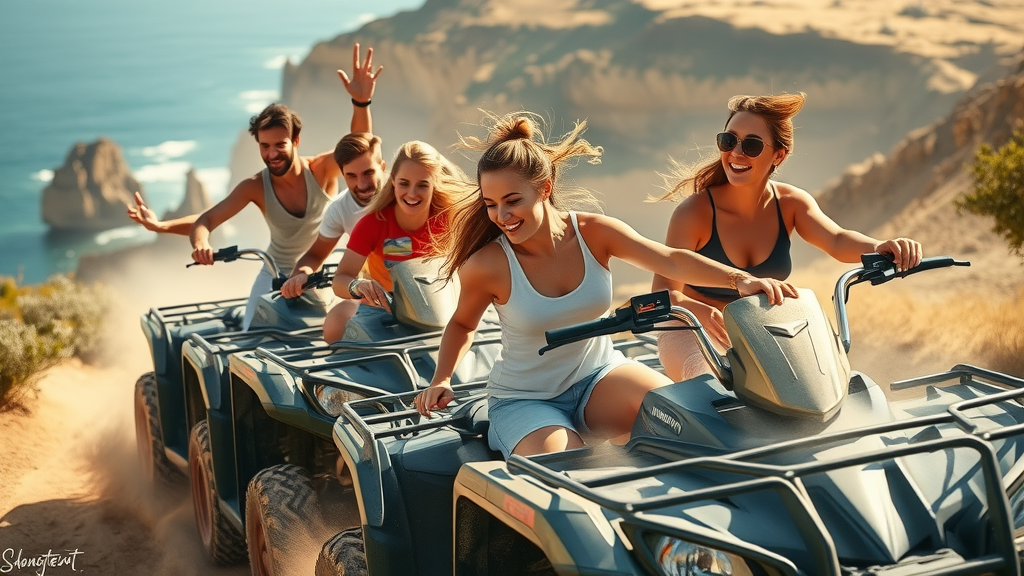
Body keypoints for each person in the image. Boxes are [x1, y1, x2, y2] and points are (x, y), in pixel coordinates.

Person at [413, 112, 797, 459]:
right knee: (571, 466)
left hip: (599, 376)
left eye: (512, 201)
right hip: (525, 400)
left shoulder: (594, 233)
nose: (501, 215)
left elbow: (669, 259)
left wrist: (740, 279)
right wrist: (441, 378)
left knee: (689, 420)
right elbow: (462, 323)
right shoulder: (488, 265)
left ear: (544, 188)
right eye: (491, 204)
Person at [652, 92, 923, 382]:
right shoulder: (694, 213)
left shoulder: (791, 203)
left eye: (752, 145)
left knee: (821, 382)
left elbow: (836, 240)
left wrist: (880, 247)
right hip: (691, 329)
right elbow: (662, 295)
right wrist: (699, 311)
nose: (736, 153)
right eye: (729, 141)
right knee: (713, 386)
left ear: (778, 155)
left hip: (760, 329)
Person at [127, 43, 383, 330]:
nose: (272, 153)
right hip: (275, 273)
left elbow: (359, 148)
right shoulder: (254, 186)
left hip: (320, 274)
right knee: (251, 334)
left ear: (296, 141)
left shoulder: (320, 170)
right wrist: (191, 240)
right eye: (264, 146)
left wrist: (361, 103)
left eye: (279, 144)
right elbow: (207, 220)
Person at [325, 140, 473, 343]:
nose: (412, 194)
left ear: (435, 184)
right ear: (393, 181)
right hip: (382, 312)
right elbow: (340, 280)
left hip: (443, 310)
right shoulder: (372, 224)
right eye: (404, 183)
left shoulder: (452, 218)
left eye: (422, 185)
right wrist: (358, 285)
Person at [278, 132, 388, 328]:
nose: (361, 185)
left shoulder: (405, 195)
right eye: (351, 176)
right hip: (373, 296)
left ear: (382, 167)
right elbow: (315, 255)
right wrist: (300, 275)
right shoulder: (339, 209)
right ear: (343, 174)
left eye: (368, 173)